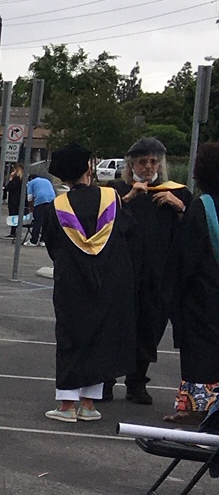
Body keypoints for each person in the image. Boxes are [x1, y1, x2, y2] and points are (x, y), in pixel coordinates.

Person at [37, 144, 135, 423]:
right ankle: (89, 404)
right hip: (109, 282)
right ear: (88, 169)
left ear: (64, 178)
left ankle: (67, 405)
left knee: (70, 338)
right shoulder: (112, 198)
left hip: (72, 283)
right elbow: (129, 230)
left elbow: (53, 245)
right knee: (99, 339)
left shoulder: (59, 206)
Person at [111, 136, 187, 405]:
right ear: (131, 164)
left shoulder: (175, 192)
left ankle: (136, 383)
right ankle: (106, 381)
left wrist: (180, 208)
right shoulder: (116, 191)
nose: (148, 166)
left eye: (154, 161)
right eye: (142, 161)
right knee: (116, 327)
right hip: (122, 273)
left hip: (157, 275)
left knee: (148, 330)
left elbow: (192, 232)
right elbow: (103, 225)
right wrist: (128, 198)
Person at [170, 143, 219, 421]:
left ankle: (197, 406)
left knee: (200, 352)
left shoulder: (202, 207)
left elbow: (184, 258)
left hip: (203, 293)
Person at [4, 162, 26, 238]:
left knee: (13, 215)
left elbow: (8, 188)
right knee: (18, 215)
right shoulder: (24, 179)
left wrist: (10, 178)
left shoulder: (15, 179)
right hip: (21, 199)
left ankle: (13, 232)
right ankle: (16, 231)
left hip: (14, 199)